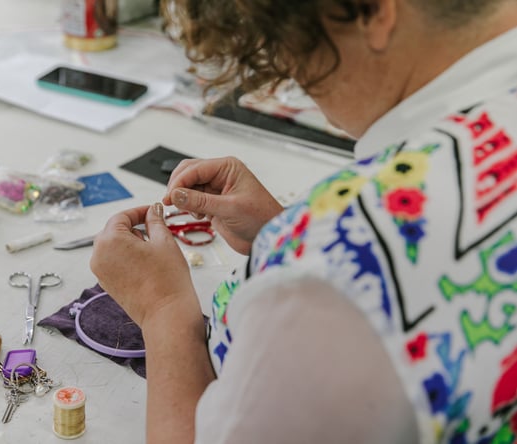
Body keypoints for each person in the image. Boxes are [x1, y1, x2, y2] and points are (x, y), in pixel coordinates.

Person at [90, 0, 517, 442]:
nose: (287, 73)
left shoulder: (330, 267)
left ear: (372, 11)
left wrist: (162, 312)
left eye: (284, 37)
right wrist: (281, 231)